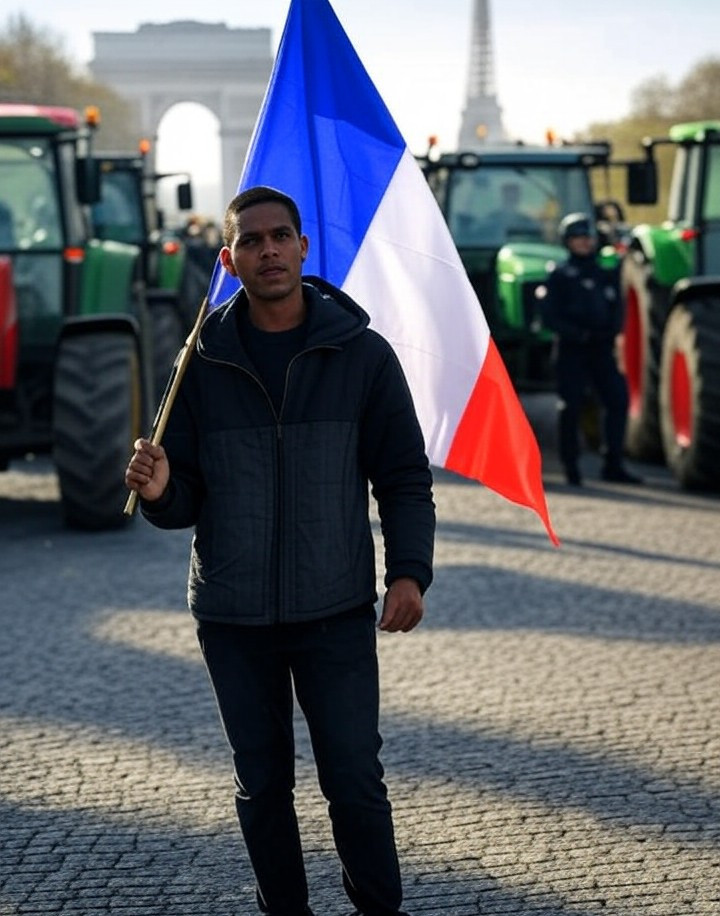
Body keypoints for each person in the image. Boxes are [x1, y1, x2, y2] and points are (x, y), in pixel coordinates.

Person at [125, 185, 435, 916]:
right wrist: (166, 488)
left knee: (355, 779)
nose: (268, 250)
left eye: (280, 236)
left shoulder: (362, 355)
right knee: (262, 785)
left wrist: (409, 571)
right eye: (252, 241)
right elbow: (182, 504)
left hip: (334, 610)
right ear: (229, 261)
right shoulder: (199, 363)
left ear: (302, 247)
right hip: (232, 618)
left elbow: (403, 477)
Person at [541, 211, 642, 486]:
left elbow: (616, 307)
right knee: (570, 407)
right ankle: (571, 466)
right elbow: (550, 316)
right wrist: (578, 333)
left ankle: (613, 463)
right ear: (567, 241)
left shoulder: (604, 274)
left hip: (601, 350)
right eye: (578, 238)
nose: (584, 243)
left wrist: (610, 332)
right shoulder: (560, 275)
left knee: (617, 401)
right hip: (571, 351)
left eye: (588, 237)